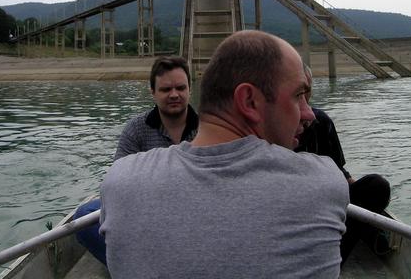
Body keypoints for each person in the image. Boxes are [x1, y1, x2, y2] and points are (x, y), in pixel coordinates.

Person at [99, 30, 349, 278]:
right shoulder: (324, 181)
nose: (309, 114)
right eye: (298, 96)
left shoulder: (119, 180)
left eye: (180, 88)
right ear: (249, 101)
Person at [74, 56, 198, 264]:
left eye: (180, 88)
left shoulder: (207, 128)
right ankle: (130, 267)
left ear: (189, 89)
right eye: (166, 89)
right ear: (153, 93)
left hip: (191, 214)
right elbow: (117, 180)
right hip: (145, 210)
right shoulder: (137, 128)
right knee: (84, 217)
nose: (174, 94)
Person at [295, 65, 391, 262]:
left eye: (307, 92)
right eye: (297, 93)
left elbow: (338, 168)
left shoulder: (321, 122)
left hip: (327, 204)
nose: (304, 101)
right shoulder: (269, 128)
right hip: (294, 209)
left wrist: (363, 198)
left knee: (376, 186)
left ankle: (344, 250)